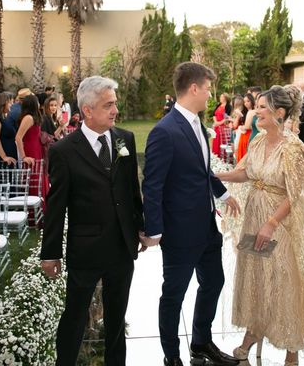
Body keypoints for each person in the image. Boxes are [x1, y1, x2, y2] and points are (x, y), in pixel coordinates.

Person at [215, 85, 304, 366]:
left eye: (262, 107)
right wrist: (215, 176)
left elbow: (296, 194)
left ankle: (292, 351)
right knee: (255, 277)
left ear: (279, 113)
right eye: (256, 106)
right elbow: (245, 172)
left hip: (278, 223)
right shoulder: (257, 141)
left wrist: (271, 223)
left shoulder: (293, 148)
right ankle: (252, 333)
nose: (256, 111)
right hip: (254, 218)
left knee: (282, 283)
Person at [40, 76, 145, 366]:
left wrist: (140, 226)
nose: (115, 110)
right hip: (85, 249)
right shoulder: (63, 151)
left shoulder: (125, 138)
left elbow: (131, 190)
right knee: (75, 315)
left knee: (116, 317)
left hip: (122, 247)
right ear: (87, 110)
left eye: (115, 103)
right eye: (108, 105)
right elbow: (55, 206)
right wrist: (50, 253)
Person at [141, 62, 241, 366]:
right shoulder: (164, 131)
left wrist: (222, 194)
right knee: (173, 295)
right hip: (180, 232)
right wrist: (154, 230)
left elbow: (201, 168)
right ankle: (172, 356)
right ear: (194, 88)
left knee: (214, 282)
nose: (210, 95)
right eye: (208, 89)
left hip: (207, 228)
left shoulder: (199, 125)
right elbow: (153, 184)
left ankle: (201, 342)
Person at [15, 95, 49, 217]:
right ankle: (32, 215)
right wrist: (24, 157)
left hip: (37, 149)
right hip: (31, 151)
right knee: (34, 179)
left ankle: (41, 212)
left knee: (39, 178)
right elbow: (18, 137)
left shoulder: (34, 117)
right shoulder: (28, 118)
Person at [234, 94, 254, 162]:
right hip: (242, 135)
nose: (246, 103)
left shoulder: (253, 111)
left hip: (249, 135)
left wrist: (243, 127)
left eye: (248, 101)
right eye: (245, 102)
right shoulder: (245, 112)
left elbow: (248, 126)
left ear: (252, 101)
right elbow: (235, 125)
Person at [212, 93, 232, 158]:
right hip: (217, 127)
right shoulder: (219, 105)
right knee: (216, 142)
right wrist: (216, 122)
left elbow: (228, 117)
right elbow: (214, 114)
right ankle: (216, 157)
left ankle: (223, 157)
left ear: (225, 98)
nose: (220, 98)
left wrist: (219, 123)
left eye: (221, 97)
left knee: (222, 142)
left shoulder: (228, 106)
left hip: (223, 128)